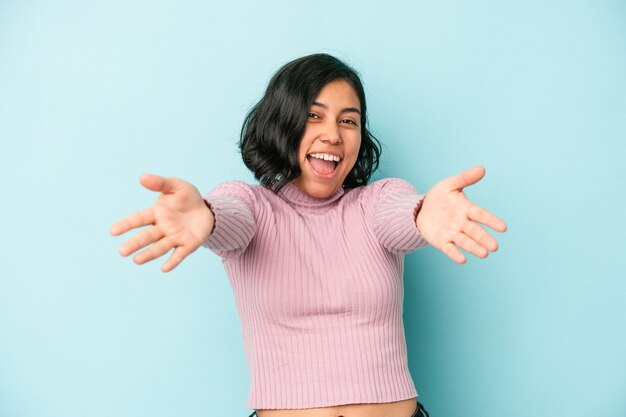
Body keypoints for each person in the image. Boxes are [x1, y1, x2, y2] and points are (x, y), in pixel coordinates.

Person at [109, 53, 507, 417]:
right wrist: (205, 217)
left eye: (348, 120)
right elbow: (228, 217)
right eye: (314, 116)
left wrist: (423, 215)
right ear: (283, 123)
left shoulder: (377, 202)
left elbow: (402, 214)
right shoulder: (251, 205)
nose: (333, 134)